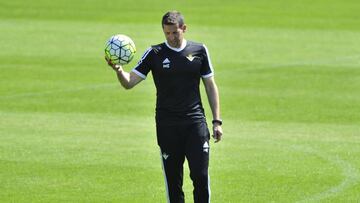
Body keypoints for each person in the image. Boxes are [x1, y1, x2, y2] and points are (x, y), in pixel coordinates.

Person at [105, 11, 223, 203]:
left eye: (175, 33)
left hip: (195, 123)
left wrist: (217, 121)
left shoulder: (200, 50)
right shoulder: (154, 53)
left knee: (200, 177)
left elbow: (210, 85)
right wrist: (119, 70)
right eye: (167, 33)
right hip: (167, 126)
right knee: (173, 182)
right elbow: (129, 82)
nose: (171, 37)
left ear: (184, 29)